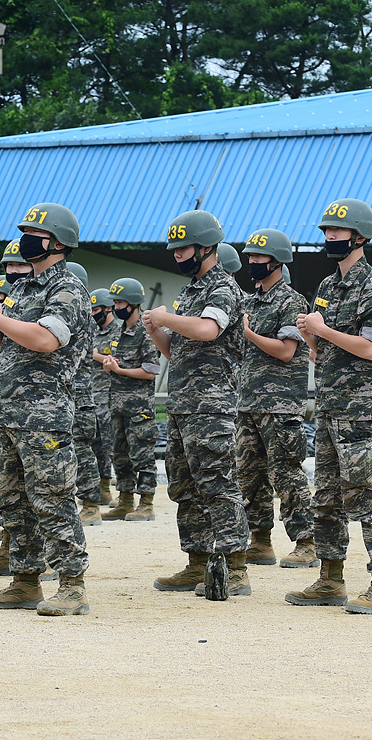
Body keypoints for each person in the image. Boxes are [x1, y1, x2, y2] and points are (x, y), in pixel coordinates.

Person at [0, 203, 92, 616]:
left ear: (57, 242)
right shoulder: (22, 290)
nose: (25, 240)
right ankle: (25, 581)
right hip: (6, 413)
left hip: (44, 416)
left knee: (52, 498)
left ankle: (71, 585)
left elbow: (44, 340)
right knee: (12, 500)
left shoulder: (68, 290)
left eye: (33, 233)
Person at [284, 198, 372, 614]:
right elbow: (322, 352)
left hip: (361, 408)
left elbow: (370, 348)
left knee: (365, 495)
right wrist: (312, 335)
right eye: (326, 231)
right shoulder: (328, 287)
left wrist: (322, 328)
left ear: (360, 236)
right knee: (326, 497)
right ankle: (330, 578)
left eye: (337, 231)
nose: (330, 237)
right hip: (332, 402)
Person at [144, 210, 249, 598]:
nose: (176, 255)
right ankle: (197, 561)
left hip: (212, 406)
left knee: (218, 483)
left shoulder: (222, 287)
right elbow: (178, 352)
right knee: (183, 486)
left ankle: (236, 565)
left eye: (183, 248)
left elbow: (208, 330)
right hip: (183, 404)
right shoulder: (189, 292)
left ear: (206, 247)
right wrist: (158, 331)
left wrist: (168, 318)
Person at [235, 229, 316, 568]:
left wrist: (249, 333)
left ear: (277, 260)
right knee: (248, 474)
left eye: (259, 256)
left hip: (280, 404)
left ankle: (307, 542)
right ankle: (260, 540)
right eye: (250, 256)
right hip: (249, 401)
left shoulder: (291, 301)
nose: (252, 261)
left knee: (286, 473)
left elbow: (286, 351)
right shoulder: (249, 302)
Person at [101, 277, 160, 523]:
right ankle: (125, 500)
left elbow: (151, 370)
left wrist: (120, 370)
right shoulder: (117, 331)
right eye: (114, 302)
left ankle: (146, 503)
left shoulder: (147, 332)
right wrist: (108, 365)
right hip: (117, 405)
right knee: (119, 454)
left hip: (139, 409)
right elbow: (112, 361)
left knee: (142, 455)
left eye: (121, 302)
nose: (117, 307)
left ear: (134, 303)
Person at [65, 261, 103, 526]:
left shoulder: (81, 318)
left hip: (79, 399)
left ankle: (90, 505)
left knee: (82, 453)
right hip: (66, 398)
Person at [87, 288, 120, 505]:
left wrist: (95, 355)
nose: (93, 314)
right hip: (93, 395)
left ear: (109, 308)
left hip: (111, 395)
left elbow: (119, 360)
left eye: (96, 309)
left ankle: (113, 486)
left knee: (111, 445)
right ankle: (102, 487)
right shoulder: (92, 332)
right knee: (96, 443)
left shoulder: (118, 332)